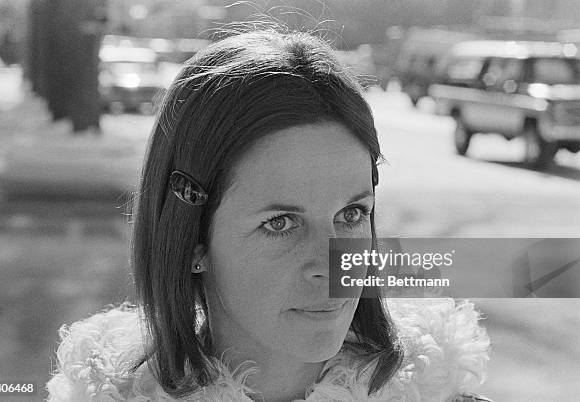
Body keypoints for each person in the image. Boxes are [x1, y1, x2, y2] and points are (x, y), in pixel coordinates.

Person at [46, 28, 490, 401]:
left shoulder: (439, 388)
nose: (331, 265)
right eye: (280, 223)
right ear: (191, 241)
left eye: (352, 214)